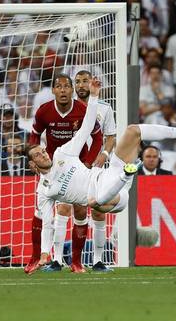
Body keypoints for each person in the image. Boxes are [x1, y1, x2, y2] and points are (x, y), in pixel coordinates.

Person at [25, 77, 176, 273]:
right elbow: (47, 222)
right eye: (38, 154)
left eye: (43, 150)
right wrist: (44, 254)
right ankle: (126, 175)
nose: (44, 153)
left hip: (109, 175)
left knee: (133, 131)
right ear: (33, 164)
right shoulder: (44, 190)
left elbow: (87, 127)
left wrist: (94, 96)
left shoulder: (62, 153)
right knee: (93, 201)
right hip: (112, 198)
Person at [27, 74, 103, 274]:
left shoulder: (81, 110)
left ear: (72, 90)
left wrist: (88, 163)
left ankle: (76, 262)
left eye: (66, 87)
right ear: (52, 90)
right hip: (51, 166)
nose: (62, 90)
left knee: (79, 210)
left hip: (78, 164)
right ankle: (39, 257)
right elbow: (34, 135)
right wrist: (33, 157)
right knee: (44, 210)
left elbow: (97, 137)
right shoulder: (44, 111)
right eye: (58, 87)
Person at [70, 70, 116, 272]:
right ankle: (57, 260)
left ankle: (98, 260)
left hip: (97, 166)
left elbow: (111, 136)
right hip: (73, 165)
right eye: (77, 82)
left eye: (85, 81)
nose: (81, 85)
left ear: (92, 84)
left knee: (98, 210)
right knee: (66, 208)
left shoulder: (105, 109)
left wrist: (104, 154)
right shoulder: (67, 108)